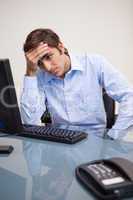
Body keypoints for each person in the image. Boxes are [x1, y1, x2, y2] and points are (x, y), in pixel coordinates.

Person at [20, 28, 133, 139]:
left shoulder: (94, 63)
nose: (47, 67)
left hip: (94, 140)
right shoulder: (39, 76)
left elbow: (129, 97)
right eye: (39, 63)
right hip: (58, 141)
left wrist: (113, 136)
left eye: (48, 57)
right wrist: (30, 72)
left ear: (61, 47)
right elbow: (31, 123)